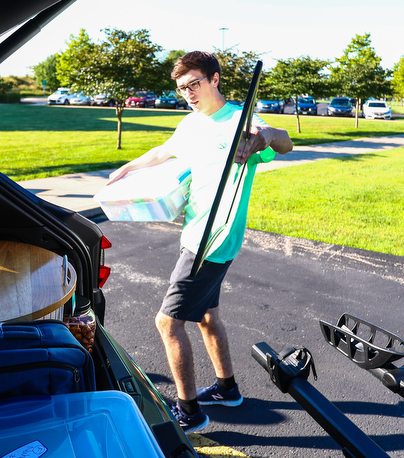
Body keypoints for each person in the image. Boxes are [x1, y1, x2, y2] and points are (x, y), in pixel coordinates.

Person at [106, 51, 293, 433]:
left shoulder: (240, 122)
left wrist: (266, 137)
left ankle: (189, 411)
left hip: (214, 237)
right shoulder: (191, 123)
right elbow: (164, 151)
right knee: (207, 317)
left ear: (215, 79)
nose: (188, 93)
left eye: (194, 83)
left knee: (167, 323)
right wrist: (126, 168)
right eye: (181, 88)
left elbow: (283, 141)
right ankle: (227, 389)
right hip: (195, 230)